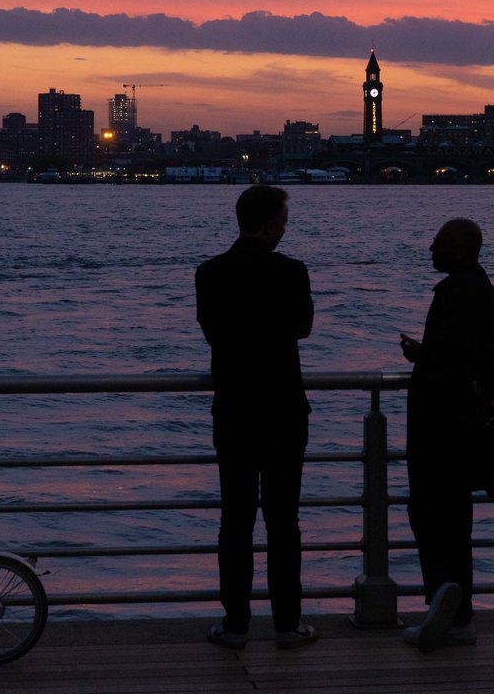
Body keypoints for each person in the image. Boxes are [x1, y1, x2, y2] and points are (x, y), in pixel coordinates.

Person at [196, 184, 318, 650]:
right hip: (285, 408)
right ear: (271, 225)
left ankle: (236, 625)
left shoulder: (209, 273)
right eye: (284, 220)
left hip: (235, 408)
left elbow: (213, 333)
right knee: (284, 521)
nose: (285, 228)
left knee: (236, 519)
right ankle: (287, 624)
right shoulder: (292, 272)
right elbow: (302, 328)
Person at [399, 217, 494, 652]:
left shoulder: (456, 294)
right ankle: (456, 612)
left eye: (439, 244)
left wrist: (423, 360)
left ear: (460, 251)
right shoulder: (484, 292)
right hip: (465, 424)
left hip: (440, 425)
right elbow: (475, 356)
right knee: (454, 519)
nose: (430, 249)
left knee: (430, 514)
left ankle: (446, 604)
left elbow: (451, 364)